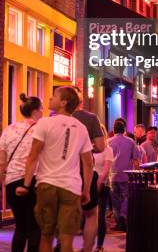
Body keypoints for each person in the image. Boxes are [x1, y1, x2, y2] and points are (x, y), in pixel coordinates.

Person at [16, 86, 93, 252]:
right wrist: (86, 190)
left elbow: (33, 156)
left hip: (47, 185)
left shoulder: (44, 123)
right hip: (71, 188)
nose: (50, 98)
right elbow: (88, 163)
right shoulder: (81, 128)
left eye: (54, 96)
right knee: (66, 238)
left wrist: (26, 185)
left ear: (63, 102)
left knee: (46, 235)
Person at [0, 93, 42, 252]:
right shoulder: (41, 129)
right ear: (35, 111)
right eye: (41, 109)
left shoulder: (8, 130)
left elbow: (1, 163)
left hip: (12, 182)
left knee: (21, 227)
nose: (42, 112)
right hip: (35, 181)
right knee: (35, 227)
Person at [71, 86, 105, 252]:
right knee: (91, 214)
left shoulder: (53, 118)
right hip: (85, 170)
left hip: (61, 172)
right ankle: (86, 249)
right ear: (80, 100)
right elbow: (100, 146)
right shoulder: (91, 118)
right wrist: (87, 147)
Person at [108, 119, 139, 232]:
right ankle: (123, 215)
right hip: (126, 174)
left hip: (113, 174)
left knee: (115, 199)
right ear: (124, 130)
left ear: (113, 130)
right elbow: (136, 160)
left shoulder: (108, 142)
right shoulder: (131, 142)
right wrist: (137, 173)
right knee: (126, 197)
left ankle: (118, 221)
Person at [94, 124, 114, 252]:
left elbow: (106, 169)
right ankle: (88, 244)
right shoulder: (88, 148)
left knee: (100, 215)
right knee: (88, 215)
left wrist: (98, 182)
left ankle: (99, 245)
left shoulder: (107, 149)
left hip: (102, 184)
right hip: (88, 184)